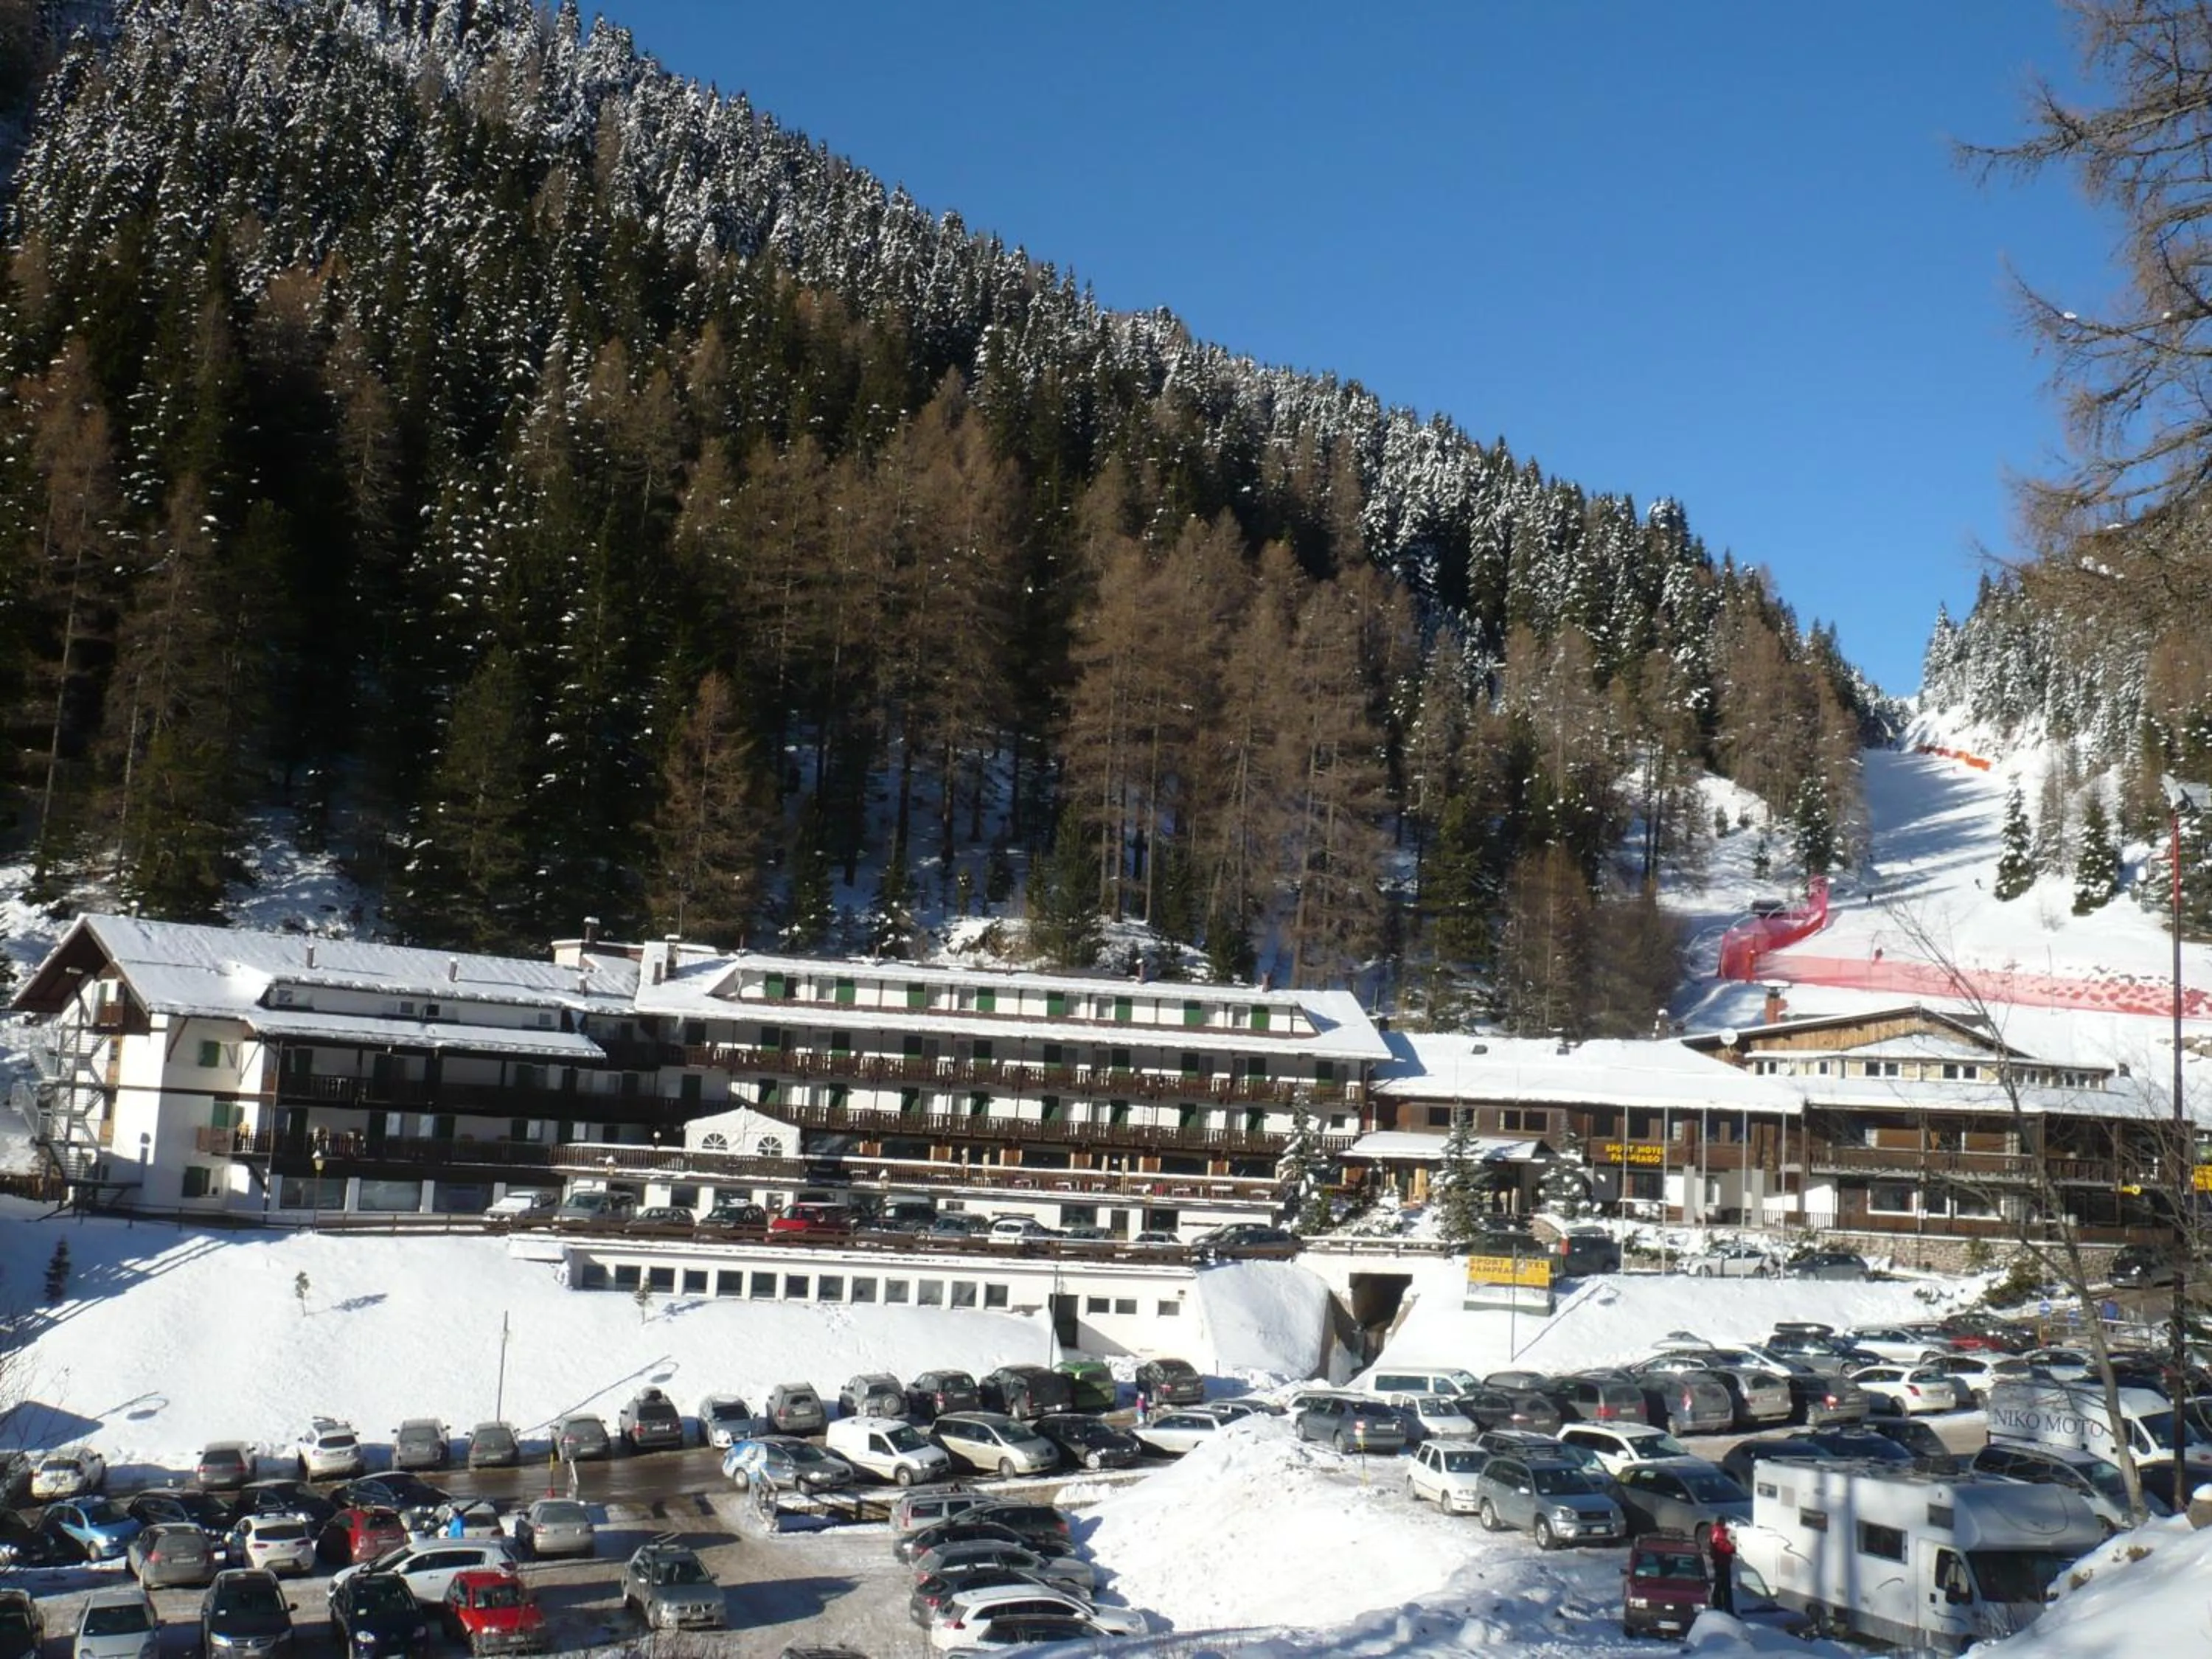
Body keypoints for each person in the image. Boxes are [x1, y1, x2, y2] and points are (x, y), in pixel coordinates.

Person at [1708, 1517, 1736, 1615]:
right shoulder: (1719, 1533)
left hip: (1719, 1562)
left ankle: (1718, 1606)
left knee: (1719, 1586)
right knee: (1725, 1587)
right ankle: (1726, 1608)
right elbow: (1724, 1547)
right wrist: (1733, 1547)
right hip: (1722, 1562)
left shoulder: (1716, 1531)